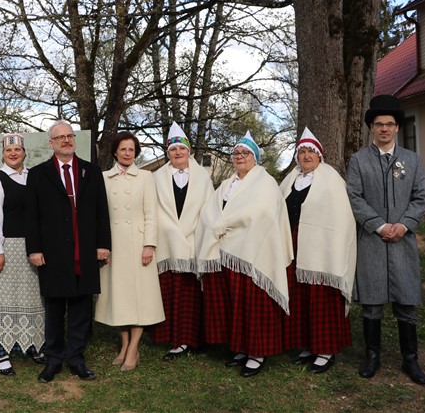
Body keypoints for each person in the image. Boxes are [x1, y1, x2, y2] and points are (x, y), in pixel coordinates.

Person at [195, 131, 293, 377]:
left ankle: (257, 353)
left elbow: (262, 214)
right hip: (225, 251)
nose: (240, 156)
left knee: (253, 305)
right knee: (234, 304)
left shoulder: (265, 183)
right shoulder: (226, 184)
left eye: (245, 153)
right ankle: (240, 348)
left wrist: (226, 223)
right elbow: (209, 211)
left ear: (255, 157)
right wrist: (217, 226)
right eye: (236, 153)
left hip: (253, 253)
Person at [347, 95, 425, 385]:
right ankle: (372, 356)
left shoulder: (412, 160)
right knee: (371, 301)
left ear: (397, 128)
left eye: (389, 124)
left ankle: (411, 359)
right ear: (372, 127)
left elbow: (420, 198)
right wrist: (379, 226)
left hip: (402, 241)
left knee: (406, 299)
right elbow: (354, 197)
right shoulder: (358, 160)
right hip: (372, 240)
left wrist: (404, 225)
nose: (384, 128)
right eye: (379, 124)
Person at [25, 120, 111, 383]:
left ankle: (76, 359)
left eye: (69, 136)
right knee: (54, 310)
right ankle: (53, 360)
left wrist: (103, 244)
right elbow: (32, 216)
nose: (66, 140)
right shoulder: (38, 174)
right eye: (60, 137)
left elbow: (101, 211)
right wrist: (34, 249)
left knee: (81, 309)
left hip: (84, 251)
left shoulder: (91, 171)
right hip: (53, 253)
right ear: (51, 143)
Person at [279, 128, 356, 373]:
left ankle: (325, 350)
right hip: (294, 242)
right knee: (299, 295)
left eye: (311, 151)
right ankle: (306, 345)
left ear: (319, 155)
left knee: (321, 297)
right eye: (302, 152)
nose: (306, 156)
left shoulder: (331, 179)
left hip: (323, 248)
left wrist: (334, 248)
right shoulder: (289, 180)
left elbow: (341, 217)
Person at [95, 132, 164, 372]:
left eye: (131, 150)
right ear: (115, 151)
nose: (127, 153)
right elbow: (99, 215)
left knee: (139, 298)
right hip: (113, 244)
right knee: (119, 297)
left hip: (137, 244)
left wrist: (149, 245)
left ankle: (134, 348)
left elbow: (151, 214)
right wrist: (101, 245)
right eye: (123, 149)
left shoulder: (145, 177)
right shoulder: (104, 177)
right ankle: (124, 345)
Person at [0, 134, 46, 376]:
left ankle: (34, 344)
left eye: (18, 149)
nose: (13, 153)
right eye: (9, 150)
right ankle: (2, 352)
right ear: (3, 154)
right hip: (7, 246)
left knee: (33, 298)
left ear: (24, 153)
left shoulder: (34, 178)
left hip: (32, 247)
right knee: (4, 298)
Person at [149, 122, 214, 361]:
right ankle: (174, 338)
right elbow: (153, 209)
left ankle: (194, 339)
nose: (178, 153)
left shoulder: (203, 178)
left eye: (182, 149)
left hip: (194, 243)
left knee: (192, 295)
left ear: (189, 151)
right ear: (168, 153)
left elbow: (209, 210)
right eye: (173, 149)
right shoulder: (157, 178)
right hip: (167, 243)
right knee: (171, 293)